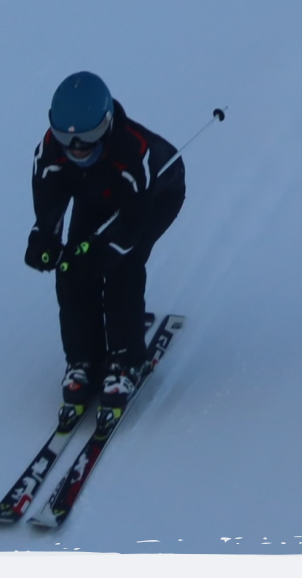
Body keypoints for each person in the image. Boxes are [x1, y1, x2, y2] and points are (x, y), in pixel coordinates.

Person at [26, 72, 185, 408]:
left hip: (155, 197)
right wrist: (45, 241)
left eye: (87, 139)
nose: (77, 149)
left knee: (122, 268)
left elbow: (132, 226)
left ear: (107, 124)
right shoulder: (50, 152)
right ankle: (83, 359)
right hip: (96, 196)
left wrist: (104, 252)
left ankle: (127, 361)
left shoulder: (134, 152)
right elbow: (50, 203)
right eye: (67, 139)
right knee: (71, 270)